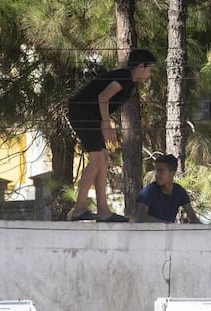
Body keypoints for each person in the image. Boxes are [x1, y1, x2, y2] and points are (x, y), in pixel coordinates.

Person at [68, 49, 156, 222]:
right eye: (149, 69)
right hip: (83, 113)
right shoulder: (124, 78)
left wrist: (104, 122)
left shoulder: (129, 82)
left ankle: (103, 211)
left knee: (104, 159)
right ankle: (79, 209)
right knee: (97, 160)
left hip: (91, 115)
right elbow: (103, 97)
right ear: (140, 66)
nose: (150, 74)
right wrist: (107, 123)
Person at [136, 154, 200, 223]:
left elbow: (193, 217)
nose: (157, 174)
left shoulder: (179, 191)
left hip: (168, 232)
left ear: (172, 173)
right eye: (156, 171)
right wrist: (165, 224)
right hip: (147, 232)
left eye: (161, 171)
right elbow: (141, 217)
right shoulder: (149, 191)